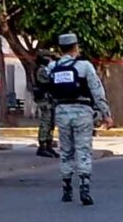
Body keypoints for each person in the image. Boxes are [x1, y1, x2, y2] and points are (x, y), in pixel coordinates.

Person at [49, 34, 113, 206]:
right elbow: (97, 91)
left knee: (66, 150)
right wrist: (106, 114)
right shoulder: (84, 66)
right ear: (76, 47)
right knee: (83, 149)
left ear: (60, 49)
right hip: (83, 112)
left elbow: (47, 90)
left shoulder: (52, 67)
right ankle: (84, 187)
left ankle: (66, 188)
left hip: (62, 112)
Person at [33, 50, 59, 159]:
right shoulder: (41, 70)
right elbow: (49, 81)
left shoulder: (45, 69)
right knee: (46, 121)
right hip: (44, 99)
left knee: (51, 122)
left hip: (49, 98)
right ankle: (42, 146)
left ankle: (49, 144)